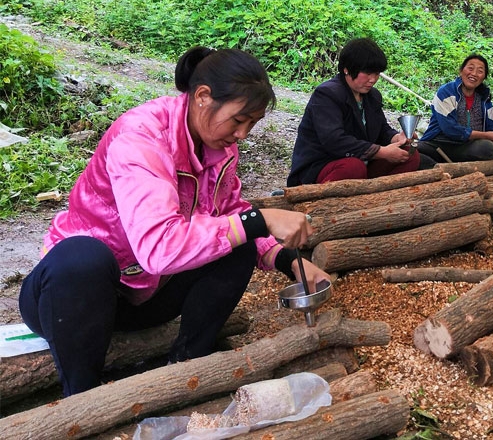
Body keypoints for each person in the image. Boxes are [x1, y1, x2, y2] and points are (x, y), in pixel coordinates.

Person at [19, 47, 330, 397]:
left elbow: (230, 212)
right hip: (72, 300)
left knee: (237, 245)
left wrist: (289, 261)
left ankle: (185, 370)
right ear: (202, 97)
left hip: (146, 294)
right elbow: (158, 248)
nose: (243, 134)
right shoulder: (141, 138)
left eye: (252, 124)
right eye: (238, 120)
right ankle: (83, 397)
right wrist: (259, 220)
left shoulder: (220, 147)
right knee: (83, 259)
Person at [287, 38, 429, 185]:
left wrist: (397, 138)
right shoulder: (327, 94)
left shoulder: (372, 96)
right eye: (367, 73)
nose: (373, 79)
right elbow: (334, 140)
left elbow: (381, 130)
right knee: (353, 167)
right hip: (323, 167)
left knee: (409, 155)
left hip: (362, 163)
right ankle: (318, 201)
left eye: (377, 73)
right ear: (347, 69)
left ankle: (377, 200)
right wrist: (381, 152)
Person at [417, 54, 493, 163]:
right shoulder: (446, 92)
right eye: (470, 68)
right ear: (461, 71)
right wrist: (486, 135)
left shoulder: (483, 97)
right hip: (439, 144)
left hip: (467, 146)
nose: (474, 74)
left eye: (480, 71)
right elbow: (450, 129)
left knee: (487, 148)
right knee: (416, 151)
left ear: (484, 77)